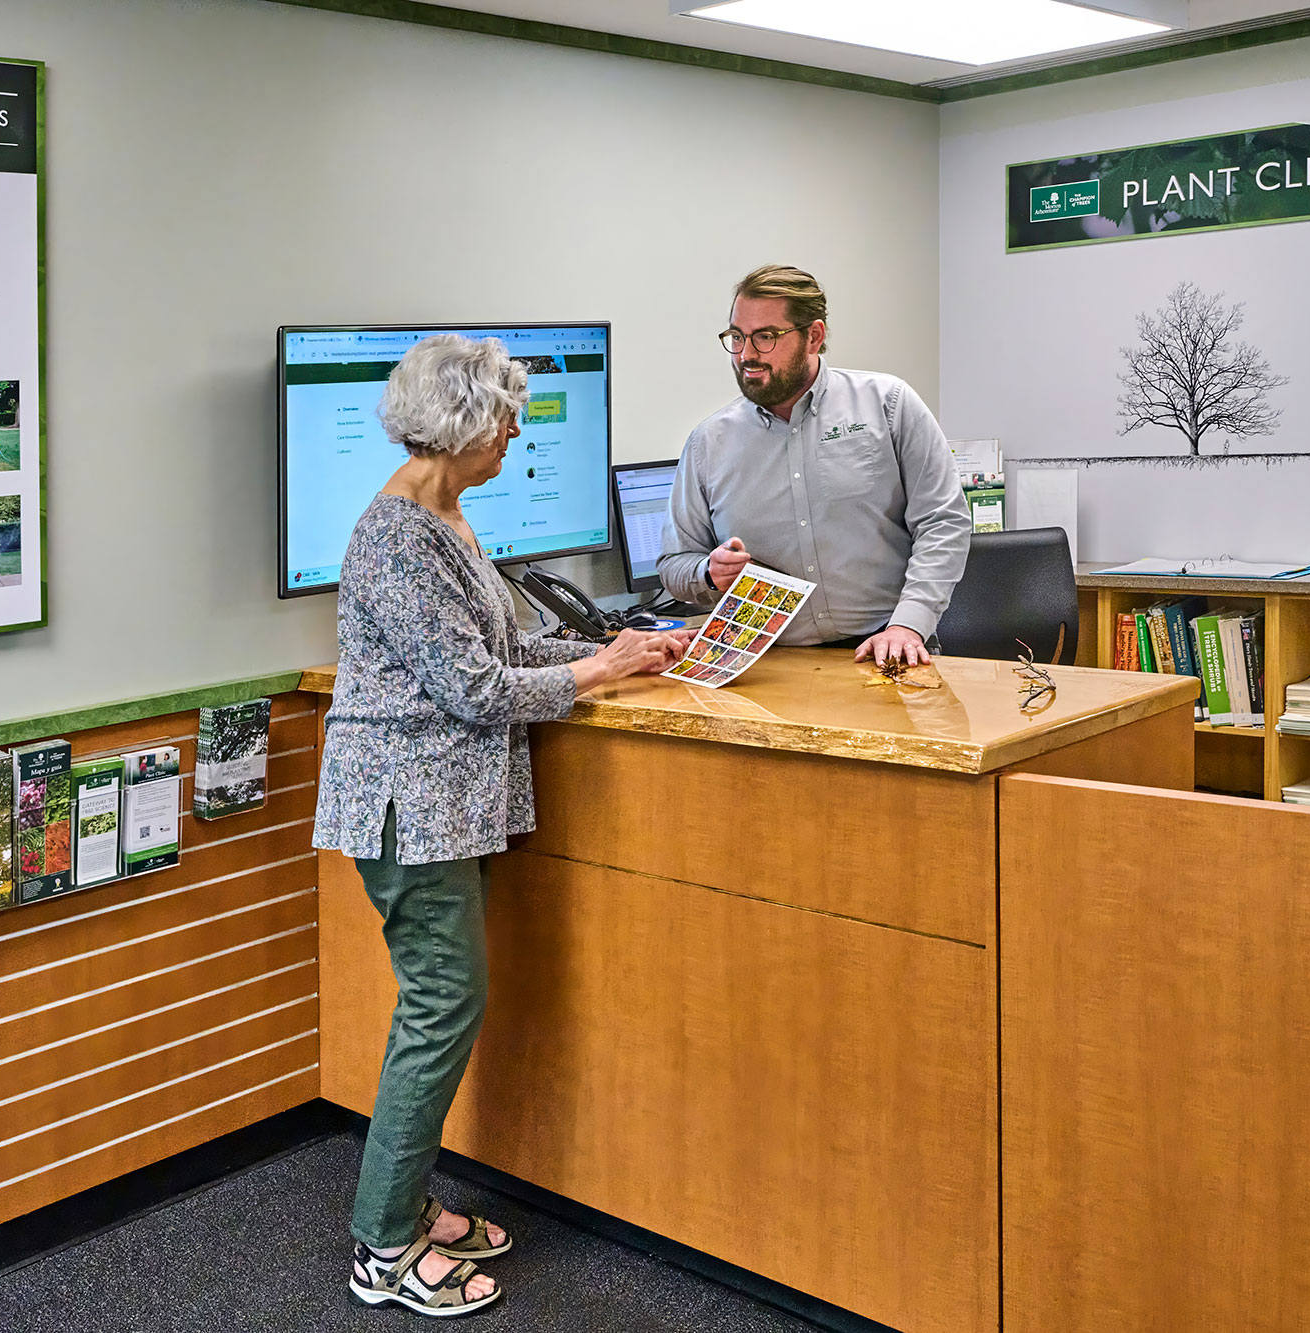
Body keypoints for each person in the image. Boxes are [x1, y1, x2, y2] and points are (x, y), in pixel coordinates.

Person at [315, 334, 687, 1318]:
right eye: (506, 419)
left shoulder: (451, 521)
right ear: (461, 424)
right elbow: (476, 689)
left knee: (443, 1004)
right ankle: (382, 1245)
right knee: (439, 1008)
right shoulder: (395, 536)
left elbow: (505, 643)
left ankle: (403, 1205)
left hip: (448, 807)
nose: (515, 436)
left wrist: (620, 647)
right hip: (408, 809)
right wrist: (594, 674)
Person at [657, 264, 971, 667]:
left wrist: (908, 625)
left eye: (765, 337)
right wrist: (708, 573)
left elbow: (943, 522)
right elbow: (674, 564)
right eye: (737, 337)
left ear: (814, 337)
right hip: (770, 666)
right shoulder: (709, 442)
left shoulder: (888, 405)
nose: (746, 355)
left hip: (887, 649)